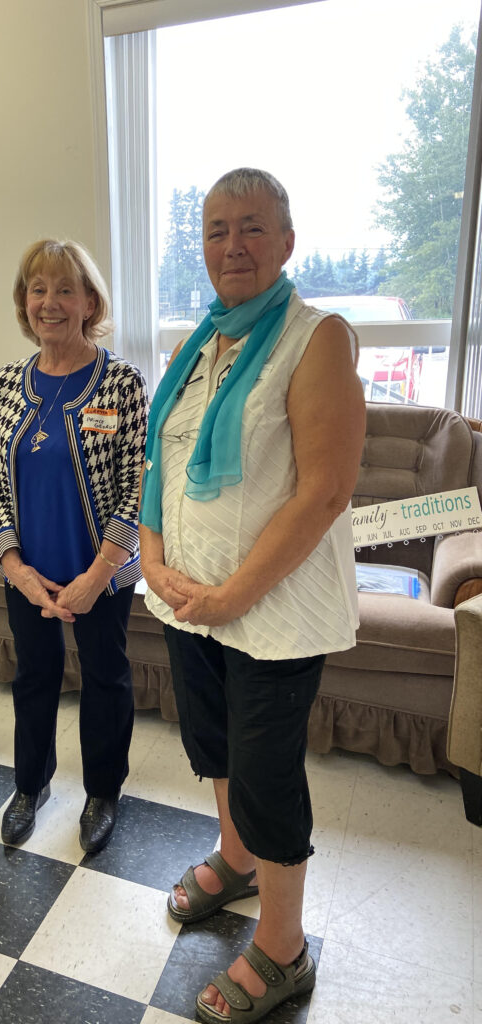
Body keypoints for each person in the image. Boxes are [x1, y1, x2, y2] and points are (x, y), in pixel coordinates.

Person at [140, 169, 364, 1024]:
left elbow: (326, 490)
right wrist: (153, 557)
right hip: (191, 600)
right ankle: (235, 860)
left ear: (287, 242)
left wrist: (234, 594)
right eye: (216, 230)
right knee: (215, 744)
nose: (232, 245)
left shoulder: (316, 339)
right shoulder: (196, 345)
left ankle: (283, 947)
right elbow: (160, 463)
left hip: (271, 613)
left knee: (266, 773)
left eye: (252, 228)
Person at [0, 239, 147, 853]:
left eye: (65, 289)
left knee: (105, 678)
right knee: (34, 676)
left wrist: (99, 574)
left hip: (101, 572)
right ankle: (31, 785)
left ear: (89, 302)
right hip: (30, 573)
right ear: (24, 302)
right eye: (38, 289)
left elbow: (139, 485)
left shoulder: (121, 383)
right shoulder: (4, 384)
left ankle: (103, 792)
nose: (49, 302)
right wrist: (14, 566)